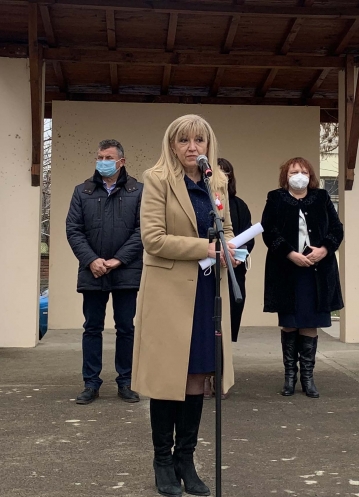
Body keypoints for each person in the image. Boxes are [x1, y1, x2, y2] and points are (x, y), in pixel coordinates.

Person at [132, 114, 238, 497]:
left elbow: (225, 229)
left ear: (208, 144)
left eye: (199, 140)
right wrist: (206, 248)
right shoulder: (157, 179)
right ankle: (162, 460)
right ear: (172, 145)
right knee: (167, 378)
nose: (193, 147)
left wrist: (231, 249)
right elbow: (153, 238)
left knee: (197, 375)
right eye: (184, 140)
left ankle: (185, 460)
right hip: (168, 293)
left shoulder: (216, 181)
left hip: (206, 291)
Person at [66, 139, 143, 405]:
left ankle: (126, 382)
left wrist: (118, 260)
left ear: (121, 161)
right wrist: (91, 260)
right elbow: (73, 229)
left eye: (108, 158)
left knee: (126, 328)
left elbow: (143, 230)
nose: (103, 162)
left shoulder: (138, 191)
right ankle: (91, 383)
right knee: (92, 328)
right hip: (93, 272)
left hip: (126, 271)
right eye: (99, 157)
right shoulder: (82, 191)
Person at [261, 157, 343, 399]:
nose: (299, 176)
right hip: (286, 270)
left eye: (304, 172)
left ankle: (308, 377)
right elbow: (269, 231)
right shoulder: (275, 198)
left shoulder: (322, 197)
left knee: (309, 322)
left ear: (311, 176)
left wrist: (324, 249)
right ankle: (289, 376)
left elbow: (336, 229)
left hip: (317, 271)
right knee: (290, 321)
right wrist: (290, 254)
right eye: (293, 172)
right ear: (285, 176)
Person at [201, 158, 254, 401]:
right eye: (218, 171)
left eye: (227, 172)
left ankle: (221, 376)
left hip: (231, 270)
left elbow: (248, 238)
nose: (222, 176)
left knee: (225, 326)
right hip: (204, 269)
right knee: (205, 325)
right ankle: (204, 376)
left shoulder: (238, 205)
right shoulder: (203, 201)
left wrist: (236, 256)